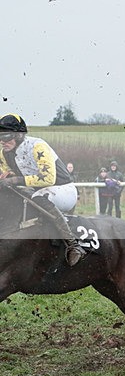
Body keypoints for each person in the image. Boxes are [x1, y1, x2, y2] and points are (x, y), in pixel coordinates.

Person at [0, 113, 86, 266]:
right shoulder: (5, 153)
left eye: (6, 136)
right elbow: (8, 173)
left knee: (38, 198)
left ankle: (73, 245)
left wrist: (15, 179)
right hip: (39, 191)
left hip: (63, 190)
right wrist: (7, 176)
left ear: (19, 135)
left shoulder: (38, 146)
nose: (2, 141)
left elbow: (48, 178)